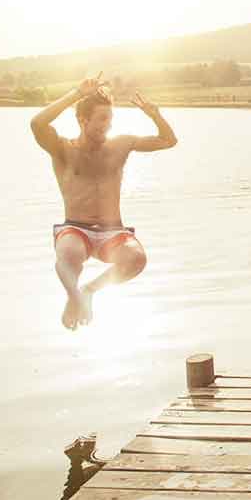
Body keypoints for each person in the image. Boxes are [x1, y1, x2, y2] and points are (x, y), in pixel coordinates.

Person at [30, 74, 178, 330]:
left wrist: (155, 115)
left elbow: (168, 141)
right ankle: (74, 297)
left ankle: (88, 291)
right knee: (69, 252)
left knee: (137, 259)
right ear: (82, 119)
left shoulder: (120, 145)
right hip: (76, 229)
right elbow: (36, 123)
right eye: (101, 120)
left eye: (110, 120)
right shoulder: (62, 149)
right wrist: (76, 93)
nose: (107, 126)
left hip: (113, 231)